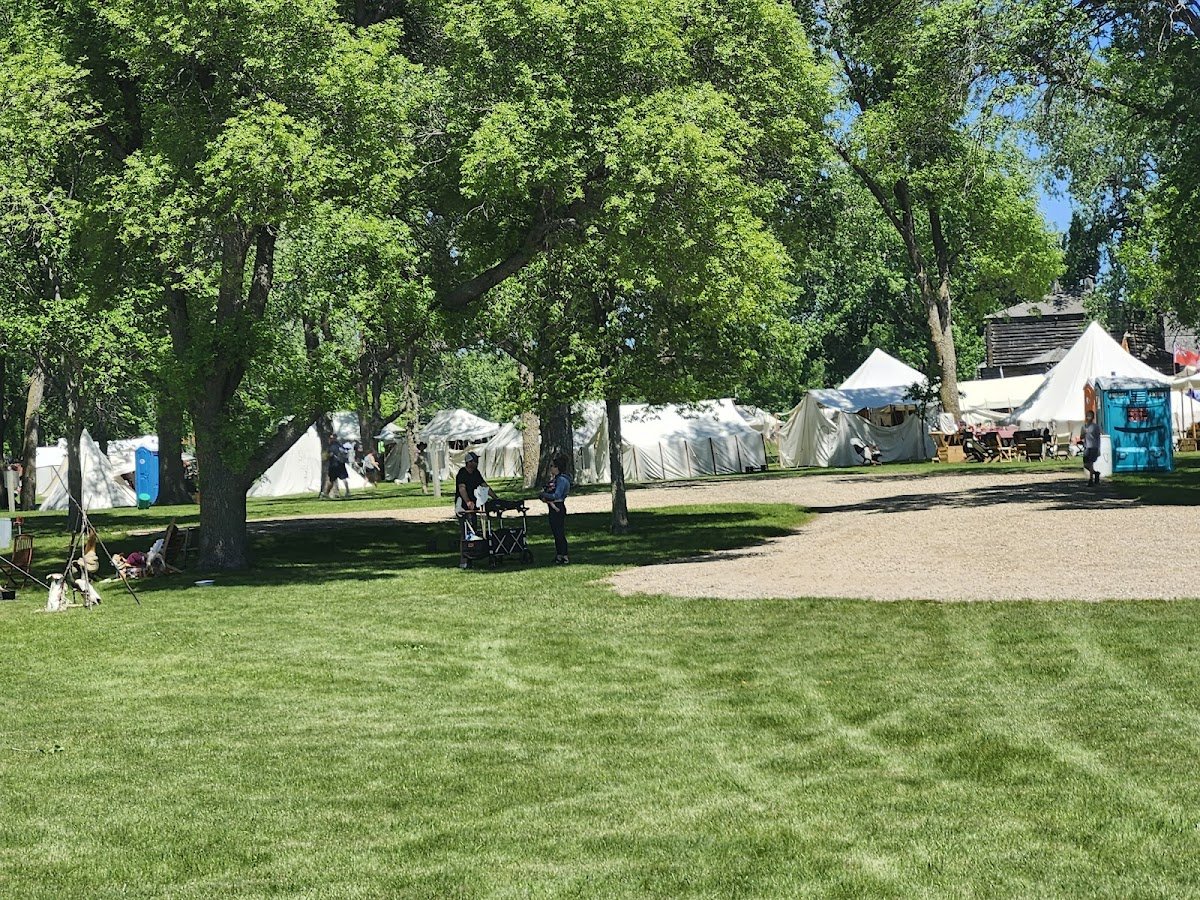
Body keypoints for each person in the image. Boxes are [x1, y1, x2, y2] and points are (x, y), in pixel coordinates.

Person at [538, 455, 572, 565]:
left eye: (552, 466)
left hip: (558, 506)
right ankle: (559, 555)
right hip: (553, 507)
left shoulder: (561, 480)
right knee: (555, 532)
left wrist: (544, 494)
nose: (551, 468)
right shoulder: (555, 479)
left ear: (557, 467)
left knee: (559, 532)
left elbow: (557, 495)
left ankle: (565, 555)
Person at [455, 451, 496, 540]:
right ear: (469, 462)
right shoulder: (462, 473)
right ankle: (464, 546)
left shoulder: (476, 473)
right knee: (465, 530)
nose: (477, 463)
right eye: (475, 461)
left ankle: (477, 544)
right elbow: (462, 489)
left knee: (474, 528)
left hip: (474, 504)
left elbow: (484, 486)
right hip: (462, 504)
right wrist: (468, 502)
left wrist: (495, 497)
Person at [1081, 409, 1102, 486]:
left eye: (1090, 416)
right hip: (1086, 447)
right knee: (1086, 465)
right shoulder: (1084, 427)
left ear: (1093, 417)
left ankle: (1090, 480)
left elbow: (1098, 438)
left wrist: (1099, 448)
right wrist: (1083, 434)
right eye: (1087, 416)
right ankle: (1096, 473)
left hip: (1094, 447)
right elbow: (1081, 437)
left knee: (1090, 463)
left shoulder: (1095, 427)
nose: (1088, 417)